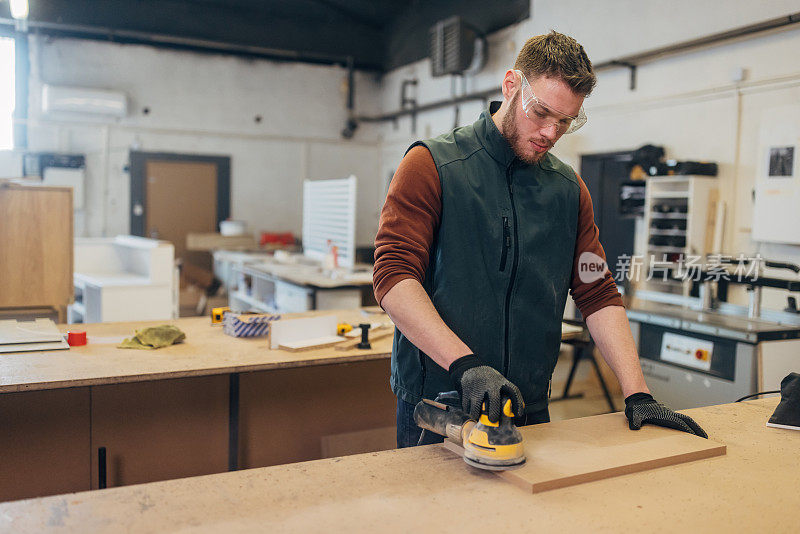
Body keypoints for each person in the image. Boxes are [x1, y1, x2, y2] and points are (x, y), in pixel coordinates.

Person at [373, 31, 707, 448]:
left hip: (527, 403)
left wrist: (637, 392)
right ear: (511, 85)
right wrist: (465, 366)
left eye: (566, 121)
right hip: (441, 403)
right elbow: (393, 277)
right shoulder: (433, 164)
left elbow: (598, 293)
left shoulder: (568, 190)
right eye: (541, 113)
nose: (551, 132)